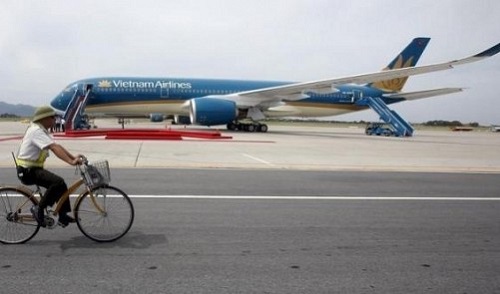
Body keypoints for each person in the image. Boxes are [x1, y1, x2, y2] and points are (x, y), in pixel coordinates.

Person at [15, 106, 83, 227]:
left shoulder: (42, 130)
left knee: (61, 185)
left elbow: (57, 146)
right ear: (44, 118)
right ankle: (39, 209)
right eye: (53, 117)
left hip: (33, 169)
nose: (55, 120)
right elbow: (54, 148)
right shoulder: (36, 131)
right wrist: (71, 162)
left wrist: (73, 157)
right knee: (57, 182)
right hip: (27, 171)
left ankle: (62, 215)